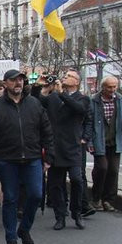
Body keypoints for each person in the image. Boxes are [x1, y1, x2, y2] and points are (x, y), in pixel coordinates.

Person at [0, 69, 54, 244]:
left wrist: (49, 157)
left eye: (21, 80)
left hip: (32, 158)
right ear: (5, 83)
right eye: (14, 80)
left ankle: (25, 229)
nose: (18, 83)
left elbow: (47, 131)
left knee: (36, 194)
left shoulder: (34, 104)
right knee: (11, 198)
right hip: (6, 160)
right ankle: (11, 237)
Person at [41, 71, 91, 230]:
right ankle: (60, 215)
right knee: (56, 184)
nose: (64, 77)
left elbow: (78, 109)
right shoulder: (54, 97)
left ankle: (77, 212)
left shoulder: (82, 98)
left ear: (76, 81)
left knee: (77, 179)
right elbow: (39, 101)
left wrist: (62, 93)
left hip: (73, 147)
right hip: (55, 146)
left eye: (68, 75)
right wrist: (42, 87)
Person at [89, 76, 122, 212]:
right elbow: (88, 122)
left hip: (115, 141)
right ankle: (96, 198)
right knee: (102, 168)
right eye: (109, 87)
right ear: (103, 87)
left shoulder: (120, 100)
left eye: (114, 87)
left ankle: (108, 200)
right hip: (99, 141)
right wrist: (89, 141)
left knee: (113, 171)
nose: (112, 90)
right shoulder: (94, 101)